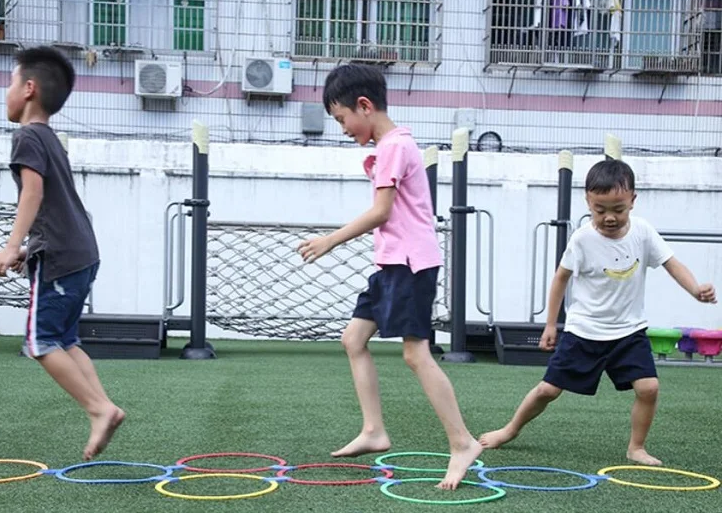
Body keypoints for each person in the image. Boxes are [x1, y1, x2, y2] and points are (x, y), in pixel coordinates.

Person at [298, 64, 482, 489]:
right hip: (391, 264)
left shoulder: (394, 147)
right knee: (353, 339)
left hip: (410, 265)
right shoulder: (389, 146)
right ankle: (374, 430)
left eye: (343, 119)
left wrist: (331, 240)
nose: (342, 129)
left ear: (365, 106)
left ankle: (462, 442)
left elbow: (381, 212)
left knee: (416, 354)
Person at [480, 158, 716, 466]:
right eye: (599, 210)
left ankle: (636, 448)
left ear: (633, 200)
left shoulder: (643, 232)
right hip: (584, 332)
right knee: (548, 390)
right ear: (588, 202)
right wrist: (551, 324)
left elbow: (672, 264)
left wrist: (696, 289)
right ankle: (509, 430)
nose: (608, 218)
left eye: (618, 209)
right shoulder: (582, 239)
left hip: (629, 332)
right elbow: (560, 278)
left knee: (649, 387)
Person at [0, 46, 125, 460]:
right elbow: (57, 207)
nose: (6, 92)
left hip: (63, 255)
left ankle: (98, 408)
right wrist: (30, 248)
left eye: (10, 83)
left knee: (40, 341)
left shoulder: (27, 136)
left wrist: (13, 245)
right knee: (65, 338)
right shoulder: (50, 139)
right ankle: (105, 408)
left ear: (29, 89)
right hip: (81, 250)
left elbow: (34, 192)